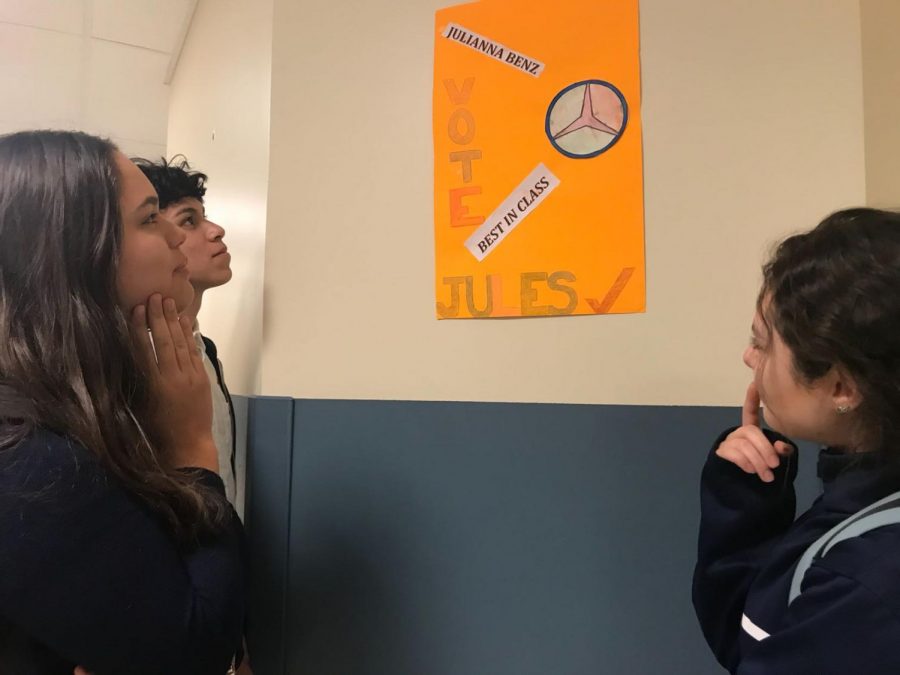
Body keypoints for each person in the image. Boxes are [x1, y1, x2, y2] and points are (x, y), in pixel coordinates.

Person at [0, 130, 246, 674]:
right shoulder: (24, 453)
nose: (180, 239)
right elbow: (190, 649)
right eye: (150, 218)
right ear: (74, 252)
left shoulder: (89, 405)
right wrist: (192, 448)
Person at [693, 208, 900, 674]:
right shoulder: (863, 496)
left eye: (762, 342)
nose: (749, 357)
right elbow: (754, 637)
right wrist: (745, 499)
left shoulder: (868, 577)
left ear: (842, 388)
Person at [133, 157, 237, 507]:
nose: (215, 230)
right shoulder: (128, 362)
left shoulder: (204, 350)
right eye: (189, 220)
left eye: (202, 215)